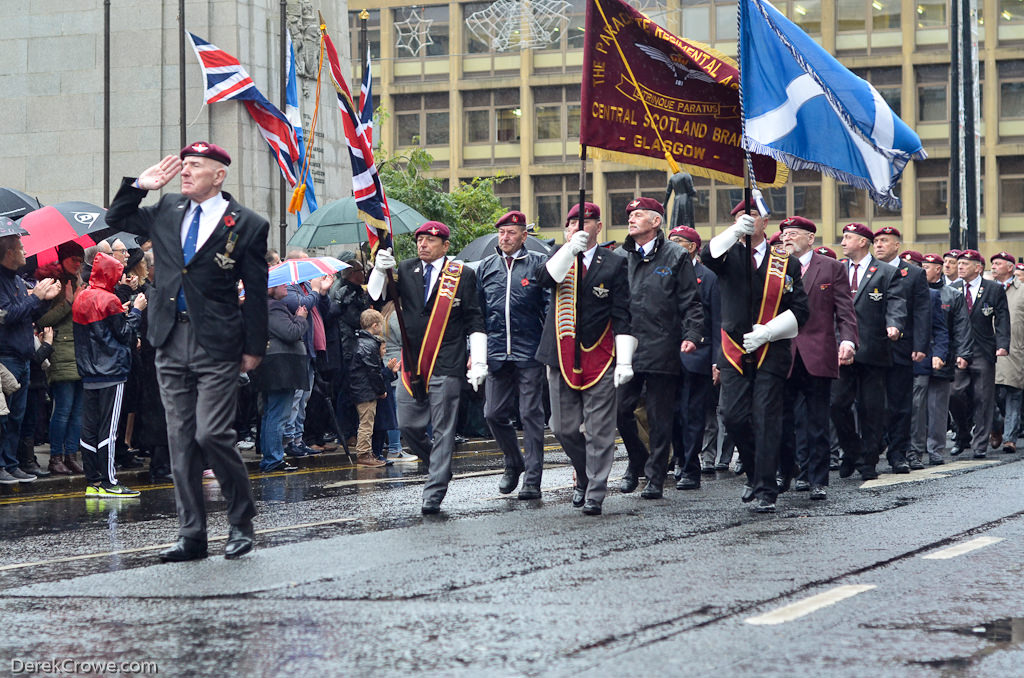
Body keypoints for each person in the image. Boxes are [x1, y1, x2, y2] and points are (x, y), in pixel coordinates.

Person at [105, 142, 268, 561]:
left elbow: (256, 290)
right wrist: (140, 185)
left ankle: (240, 521)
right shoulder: (168, 209)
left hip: (218, 341)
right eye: (185, 165)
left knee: (212, 433)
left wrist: (253, 347)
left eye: (196, 166)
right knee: (179, 439)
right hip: (169, 337)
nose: (186, 171)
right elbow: (116, 219)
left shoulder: (246, 223)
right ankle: (192, 533)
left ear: (220, 175)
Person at [367, 221, 486, 514]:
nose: (423, 244)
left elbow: (474, 318)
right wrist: (380, 271)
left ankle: (433, 491)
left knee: (444, 428)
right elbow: (375, 296)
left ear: (445, 245)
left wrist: (479, 358)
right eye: (420, 239)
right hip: (413, 362)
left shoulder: (463, 275)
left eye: (430, 240)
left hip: (447, 361)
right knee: (407, 424)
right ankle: (439, 466)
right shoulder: (406, 269)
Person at [700, 199, 808, 513]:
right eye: (738, 217)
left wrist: (768, 331)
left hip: (770, 349)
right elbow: (708, 255)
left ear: (766, 222)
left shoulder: (785, 262)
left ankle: (765, 489)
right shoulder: (728, 254)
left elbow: (801, 310)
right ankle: (754, 470)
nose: (746, 220)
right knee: (733, 417)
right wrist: (734, 231)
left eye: (752, 216)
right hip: (734, 351)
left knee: (765, 418)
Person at [535, 202, 633, 515]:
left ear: (598, 227)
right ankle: (583, 474)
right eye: (572, 223)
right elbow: (544, 280)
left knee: (599, 429)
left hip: (600, 355)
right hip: (560, 354)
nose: (578, 227)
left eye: (585, 222)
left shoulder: (614, 263)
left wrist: (625, 360)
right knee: (562, 428)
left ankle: (596, 491)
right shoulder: (558, 257)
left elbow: (622, 314)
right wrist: (568, 250)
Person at [616, 197, 703, 499]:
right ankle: (636, 460)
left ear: (656, 221)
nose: (631, 218)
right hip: (626, 346)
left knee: (659, 416)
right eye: (629, 214)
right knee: (620, 411)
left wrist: (691, 334)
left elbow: (691, 301)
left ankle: (655, 476)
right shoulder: (619, 255)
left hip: (662, 345)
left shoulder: (675, 256)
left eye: (638, 214)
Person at [777, 216, 857, 501]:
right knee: (782, 420)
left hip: (817, 352)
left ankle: (817, 479)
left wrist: (847, 340)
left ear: (810, 239)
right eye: (784, 233)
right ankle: (786, 470)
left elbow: (844, 310)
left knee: (817, 421)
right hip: (781, 353)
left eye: (794, 234)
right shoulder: (775, 266)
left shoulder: (831, 268)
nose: (787, 238)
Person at [475, 210, 550, 499]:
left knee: (531, 414)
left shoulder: (537, 265)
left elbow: (547, 308)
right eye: (502, 232)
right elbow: (478, 313)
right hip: (496, 351)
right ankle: (513, 461)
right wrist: (476, 352)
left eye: (511, 232)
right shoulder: (487, 267)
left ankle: (533, 478)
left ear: (523, 236)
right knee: (492, 413)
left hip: (529, 351)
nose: (505, 237)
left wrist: (546, 349)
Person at [831, 223, 906, 481]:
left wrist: (894, 325)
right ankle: (852, 449)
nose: (843, 241)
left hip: (873, 350)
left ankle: (869, 461)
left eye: (848, 237)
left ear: (863, 242)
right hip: (841, 348)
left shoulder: (885, 272)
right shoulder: (837, 269)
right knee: (836, 404)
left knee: (871, 409)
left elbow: (896, 302)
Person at [72, 251, 145, 497]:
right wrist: (135, 312)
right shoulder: (110, 300)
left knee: (89, 428)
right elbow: (125, 334)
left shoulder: (81, 298)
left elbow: (98, 330)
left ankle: (93, 482)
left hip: (88, 371)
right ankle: (110, 482)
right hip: (111, 371)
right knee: (109, 429)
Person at [0, 218, 61, 485]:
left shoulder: (14, 279)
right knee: (4, 417)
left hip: (23, 358)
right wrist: (34, 297)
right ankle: (3, 465)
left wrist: (42, 301)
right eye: (21, 248)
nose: (26, 252)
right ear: (10, 252)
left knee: (17, 417)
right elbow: (7, 315)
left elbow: (25, 315)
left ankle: (12, 464)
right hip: (7, 358)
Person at [872, 226, 931, 472]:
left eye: (884, 241)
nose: (879, 245)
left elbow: (922, 311)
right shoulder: (868, 270)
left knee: (900, 404)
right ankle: (870, 451)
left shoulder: (914, 273)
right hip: (872, 347)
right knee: (871, 403)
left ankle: (898, 453)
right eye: (875, 241)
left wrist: (920, 345)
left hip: (901, 346)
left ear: (897, 245)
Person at [667, 225, 720, 490]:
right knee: (672, 413)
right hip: (667, 354)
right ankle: (679, 458)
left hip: (698, 354)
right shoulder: (666, 271)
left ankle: (690, 467)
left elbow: (717, 319)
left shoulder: (707, 276)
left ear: (692, 247)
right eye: (670, 240)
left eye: (679, 241)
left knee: (693, 414)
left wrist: (716, 360)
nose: (673, 245)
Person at [948, 249, 1011, 459]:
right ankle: (963, 434)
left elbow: (1002, 317)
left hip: (983, 350)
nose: (960, 267)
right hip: (958, 351)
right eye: (959, 264)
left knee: (983, 398)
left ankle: (980, 445)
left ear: (978, 267)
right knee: (954, 393)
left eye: (966, 264)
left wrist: (1002, 344)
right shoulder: (953, 288)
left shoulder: (993, 289)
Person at [921, 253, 972, 465]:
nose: (922, 270)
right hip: (918, 354)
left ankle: (935, 449)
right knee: (916, 405)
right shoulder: (914, 292)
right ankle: (915, 448)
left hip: (944, 354)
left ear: (938, 269)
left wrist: (962, 353)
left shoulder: (952, 295)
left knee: (938, 406)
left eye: (927, 266)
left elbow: (961, 327)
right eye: (921, 265)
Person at [251, 282, 308, 473]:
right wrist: (300, 318)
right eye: (282, 284)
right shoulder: (273, 307)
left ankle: (271, 457)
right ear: (270, 288)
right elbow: (290, 333)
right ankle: (273, 459)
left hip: (274, 365)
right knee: (277, 414)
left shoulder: (268, 306)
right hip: (280, 367)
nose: (287, 286)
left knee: (271, 414)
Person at [990, 251, 1024, 454]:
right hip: (990, 350)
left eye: (998, 263)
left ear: (1010, 267)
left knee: (1013, 393)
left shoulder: (1022, 290)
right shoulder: (988, 289)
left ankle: (1010, 438)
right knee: (990, 395)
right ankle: (997, 426)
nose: (993, 266)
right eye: (992, 263)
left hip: (1016, 350)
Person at [350, 308, 389, 467]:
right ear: (375, 325)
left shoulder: (360, 340)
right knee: (366, 423)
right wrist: (381, 390)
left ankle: (367, 453)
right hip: (365, 390)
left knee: (366, 421)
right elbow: (373, 371)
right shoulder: (370, 344)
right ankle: (364, 454)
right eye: (380, 325)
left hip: (360, 388)